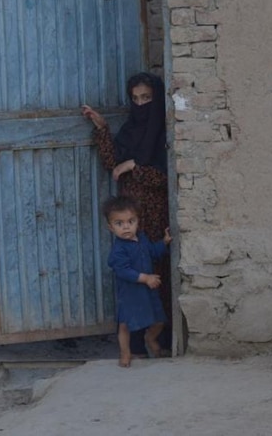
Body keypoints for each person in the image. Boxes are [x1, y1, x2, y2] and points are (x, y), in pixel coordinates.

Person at [81, 71, 172, 356]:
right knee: (133, 277)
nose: (140, 104)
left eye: (146, 98)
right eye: (135, 99)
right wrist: (102, 128)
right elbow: (111, 161)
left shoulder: (165, 133)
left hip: (154, 217)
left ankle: (162, 338)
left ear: (156, 99)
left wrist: (135, 166)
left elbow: (165, 178)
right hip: (129, 219)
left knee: (157, 276)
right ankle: (135, 344)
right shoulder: (131, 130)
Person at [103, 195, 171, 368]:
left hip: (148, 291)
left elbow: (153, 253)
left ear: (137, 222)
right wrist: (145, 278)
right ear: (110, 227)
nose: (126, 226)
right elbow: (123, 271)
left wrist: (164, 242)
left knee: (159, 320)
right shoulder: (119, 250)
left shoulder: (142, 239)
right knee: (125, 325)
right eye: (119, 223)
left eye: (130, 221)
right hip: (131, 293)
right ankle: (126, 353)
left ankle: (150, 337)